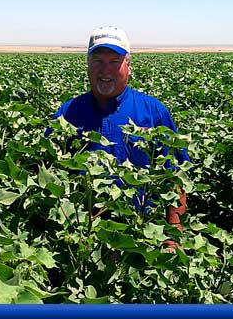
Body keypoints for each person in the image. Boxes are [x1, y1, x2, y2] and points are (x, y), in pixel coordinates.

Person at [49, 26, 190, 250]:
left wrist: (173, 234)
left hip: (143, 235)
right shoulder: (68, 113)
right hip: (82, 236)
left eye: (114, 61)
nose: (106, 70)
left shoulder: (153, 112)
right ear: (87, 64)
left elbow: (176, 176)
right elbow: (47, 170)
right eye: (98, 61)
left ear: (128, 66)